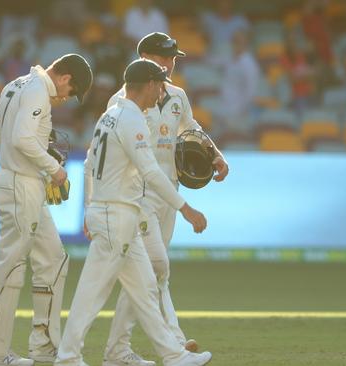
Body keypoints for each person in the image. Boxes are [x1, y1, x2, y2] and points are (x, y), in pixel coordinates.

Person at [55, 59, 212, 366]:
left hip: (114, 213)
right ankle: (68, 357)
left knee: (145, 288)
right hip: (118, 214)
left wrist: (90, 207)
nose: (161, 94)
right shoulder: (133, 119)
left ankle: (173, 355)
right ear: (150, 85)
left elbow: (89, 165)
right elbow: (151, 172)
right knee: (93, 291)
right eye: (159, 86)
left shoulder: (108, 116)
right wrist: (187, 209)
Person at [102, 32, 229, 366]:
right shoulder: (122, 101)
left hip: (169, 190)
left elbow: (192, 127)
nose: (170, 63)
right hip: (138, 194)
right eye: (163, 57)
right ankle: (170, 341)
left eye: (173, 57)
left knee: (154, 272)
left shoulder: (177, 96)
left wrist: (216, 153)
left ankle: (123, 348)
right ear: (144, 55)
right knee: (156, 267)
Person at [0, 53, 93, 366]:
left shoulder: (17, 84)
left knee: (54, 260)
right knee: (12, 266)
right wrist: (52, 168)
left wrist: (39, 153)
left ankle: (43, 344)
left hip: (19, 182)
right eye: (71, 93)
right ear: (66, 77)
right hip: (21, 185)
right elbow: (20, 138)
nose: (66, 99)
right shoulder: (38, 91)